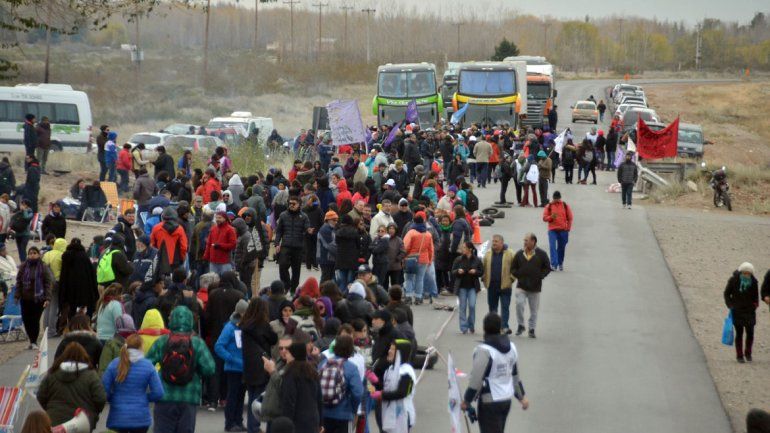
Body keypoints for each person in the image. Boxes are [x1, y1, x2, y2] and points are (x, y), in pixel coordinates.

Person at [147, 306, 216, 433]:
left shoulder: (162, 341)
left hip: (164, 396)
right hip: (189, 398)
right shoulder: (197, 343)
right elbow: (210, 369)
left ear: (171, 320)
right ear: (191, 321)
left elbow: (147, 364)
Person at [462, 312, 528, 433]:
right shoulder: (511, 347)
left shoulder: (484, 351)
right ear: (500, 328)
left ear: (484, 328)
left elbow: (476, 380)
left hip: (490, 401)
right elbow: (514, 375)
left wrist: (466, 400)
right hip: (506, 400)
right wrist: (521, 397)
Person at [102, 334, 165, 433]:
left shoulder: (114, 364)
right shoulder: (148, 365)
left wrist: (113, 398)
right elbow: (159, 393)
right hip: (141, 418)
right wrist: (144, 398)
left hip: (118, 417)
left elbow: (104, 390)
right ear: (141, 347)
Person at [37, 342, 107, 431]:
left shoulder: (52, 373)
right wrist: (93, 413)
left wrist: (50, 409)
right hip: (82, 422)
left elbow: (41, 395)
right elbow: (100, 398)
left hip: (54, 420)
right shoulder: (90, 375)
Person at [240, 298, 278, 433]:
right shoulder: (263, 325)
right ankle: (255, 427)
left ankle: (252, 427)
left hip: (249, 366)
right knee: (259, 398)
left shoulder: (244, 325)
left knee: (252, 397)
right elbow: (274, 339)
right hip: (261, 365)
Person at [319, 334, 364, 433]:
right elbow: (358, 392)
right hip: (343, 415)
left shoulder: (323, 364)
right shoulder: (351, 368)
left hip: (323, 415)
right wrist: (353, 408)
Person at [215, 299, 249, 432]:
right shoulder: (229, 327)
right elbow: (219, 346)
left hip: (244, 368)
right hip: (233, 369)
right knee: (233, 396)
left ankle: (238, 421)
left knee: (241, 396)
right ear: (240, 313)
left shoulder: (245, 327)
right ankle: (229, 423)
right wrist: (230, 358)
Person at [370, 339, 417, 433]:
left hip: (402, 414)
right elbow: (388, 386)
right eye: (390, 349)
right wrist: (372, 380)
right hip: (388, 412)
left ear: (400, 353)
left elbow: (402, 392)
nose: (389, 352)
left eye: (392, 349)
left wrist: (382, 395)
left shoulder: (406, 371)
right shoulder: (390, 369)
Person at [511, 233, 551, 338]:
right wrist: (518, 274)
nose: (524, 242)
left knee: (534, 310)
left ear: (533, 241)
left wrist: (541, 276)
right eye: (524, 240)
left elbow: (547, 267)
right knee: (519, 304)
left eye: (526, 240)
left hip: (535, 287)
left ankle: (531, 329)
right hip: (521, 286)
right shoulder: (519, 254)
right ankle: (521, 325)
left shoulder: (541, 254)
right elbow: (513, 267)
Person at [280, 341, 323, 433]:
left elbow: (288, 401)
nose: (286, 355)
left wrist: (285, 425)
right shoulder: (313, 372)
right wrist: (321, 422)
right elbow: (319, 398)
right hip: (313, 421)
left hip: (296, 423)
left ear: (293, 355)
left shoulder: (290, 374)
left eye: (288, 353)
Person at [16, 246, 52, 349]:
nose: (32, 255)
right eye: (30, 253)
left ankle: (34, 341)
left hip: (38, 299)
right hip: (25, 298)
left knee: (35, 320)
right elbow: (19, 282)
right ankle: (31, 341)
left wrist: (47, 298)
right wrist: (17, 295)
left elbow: (48, 283)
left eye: (34, 253)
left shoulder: (43, 267)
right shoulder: (23, 266)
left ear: (38, 254)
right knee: (26, 320)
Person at [724, 262, 759, 363]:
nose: (746, 275)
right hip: (737, 311)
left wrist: (754, 306)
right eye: (744, 273)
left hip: (749, 312)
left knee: (750, 333)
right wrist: (730, 305)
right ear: (741, 272)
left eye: (748, 273)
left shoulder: (754, 282)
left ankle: (748, 353)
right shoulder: (733, 280)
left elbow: (755, 297)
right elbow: (727, 293)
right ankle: (739, 355)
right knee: (739, 334)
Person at [274, 196, 310, 293]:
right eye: (290, 203)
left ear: (299, 205)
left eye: (294, 204)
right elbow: (279, 231)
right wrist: (277, 243)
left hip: (298, 246)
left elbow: (307, 229)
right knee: (282, 265)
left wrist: (308, 231)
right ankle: (286, 285)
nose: (291, 205)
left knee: (296, 269)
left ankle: (293, 288)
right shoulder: (283, 215)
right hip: (286, 244)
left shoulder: (304, 216)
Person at [481, 235, 515, 334]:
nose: (494, 243)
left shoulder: (510, 253)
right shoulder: (487, 254)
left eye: (496, 241)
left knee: (505, 307)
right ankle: (494, 328)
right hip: (492, 286)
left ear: (502, 242)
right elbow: (483, 268)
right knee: (492, 308)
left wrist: (511, 279)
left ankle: (504, 327)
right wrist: (484, 278)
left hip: (505, 286)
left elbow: (515, 267)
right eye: (493, 241)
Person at [402, 214, 434, 305]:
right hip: (424, 259)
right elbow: (431, 248)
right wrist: (430, 260)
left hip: (411, 258)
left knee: (409, 278)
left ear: (414, 221)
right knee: (420, 279)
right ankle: (418, 297)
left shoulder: (411, 232)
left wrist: (403, 257)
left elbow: (405, 246)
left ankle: (408, 296)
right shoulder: (428, 234)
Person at [453, 241, 484, 334]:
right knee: (462, 307)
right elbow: (453, 271)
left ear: (470, 249)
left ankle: (471, 325)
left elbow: (481, 272)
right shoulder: (458, 259)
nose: (462, 249)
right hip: (462, 286)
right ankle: (463, 327)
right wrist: (458, 271)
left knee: (472, 305)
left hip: (472, 287)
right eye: (462, 248)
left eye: (464, 248)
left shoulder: (477, 260)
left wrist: (476, 272)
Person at [542, 191, 573, 272]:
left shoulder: (565, 205)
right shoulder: (549, 206)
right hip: (552, 230)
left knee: (561, 248)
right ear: (553, 198)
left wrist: (568, 228)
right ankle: (554, 264)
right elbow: (544, 218)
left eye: (558, 200)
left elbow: (570, 218)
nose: (557, 201)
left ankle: (560, 263)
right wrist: (551, 217)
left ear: (560, 198)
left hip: (563, 230)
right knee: (552, 247)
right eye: (556, 200)